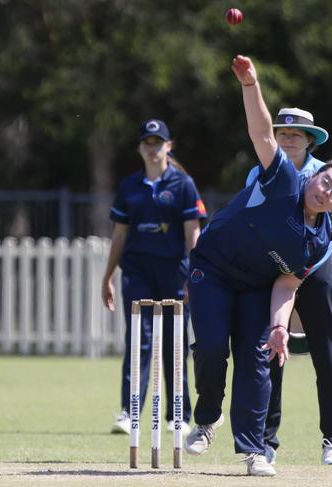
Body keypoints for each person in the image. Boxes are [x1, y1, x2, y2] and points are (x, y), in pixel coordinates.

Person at [183, 54, 332, 477]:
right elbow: (261, 133)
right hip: (215, 268)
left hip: (258, 284)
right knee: (209, 347)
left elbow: (286, 284)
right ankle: (207, 418)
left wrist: (281, 326)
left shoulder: (321, 236)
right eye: (326, 182)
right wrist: (250, 84)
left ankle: (255, 450)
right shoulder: (283, 180)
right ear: (313, 177)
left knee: (258, 357)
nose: (328, 191)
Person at [245, 108, 332, 466]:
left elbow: (331, 234)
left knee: (327, 356)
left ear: (309, 140)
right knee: (271, 353)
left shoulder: (325, 176)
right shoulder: (259, 170)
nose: (288, 138)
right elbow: (251, 219)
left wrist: (300, 272)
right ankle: (266, 443)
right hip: (273, 269)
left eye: (296, 134)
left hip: (316, 269)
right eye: (283, 133)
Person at [101, 118, 208, 436]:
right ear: (140, 148)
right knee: (138, 341)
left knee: (175, 343)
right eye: (147, 143)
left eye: (158, 142)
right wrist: (107, 276)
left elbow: (194, 233)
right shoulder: (129, 186)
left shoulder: (183, 185)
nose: (152, 148)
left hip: (175, 271)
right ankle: (128, 411)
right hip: (137, 272)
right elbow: (119, 236)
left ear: (168, 146)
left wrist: (196, 274)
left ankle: (179, 414)